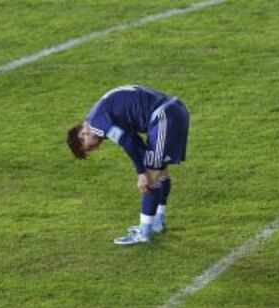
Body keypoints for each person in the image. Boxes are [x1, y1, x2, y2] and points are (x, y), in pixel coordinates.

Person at [66, 85, 189, 245]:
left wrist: (141, 172)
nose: (97, 148)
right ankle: (157, 223)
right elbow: (133, 137)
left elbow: (128, 141)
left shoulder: (96, 123)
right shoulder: (97, 117)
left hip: (163, 117)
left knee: (151, 178)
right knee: (160, 170)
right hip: (173, 110)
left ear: (83, 134)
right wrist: (146, 164)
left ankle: (144, 234)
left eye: (90, 147)